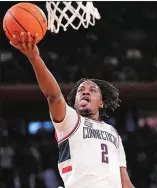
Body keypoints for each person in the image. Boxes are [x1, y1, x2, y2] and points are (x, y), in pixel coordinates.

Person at [10, 32, 135, 188]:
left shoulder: (113, 133)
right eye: (81, 90)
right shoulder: (71, 121)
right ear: (74, 104)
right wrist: (35, 58)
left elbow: (125, 181)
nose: (85, 91)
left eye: (93, 90)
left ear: (101, 103)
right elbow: (54, 96)